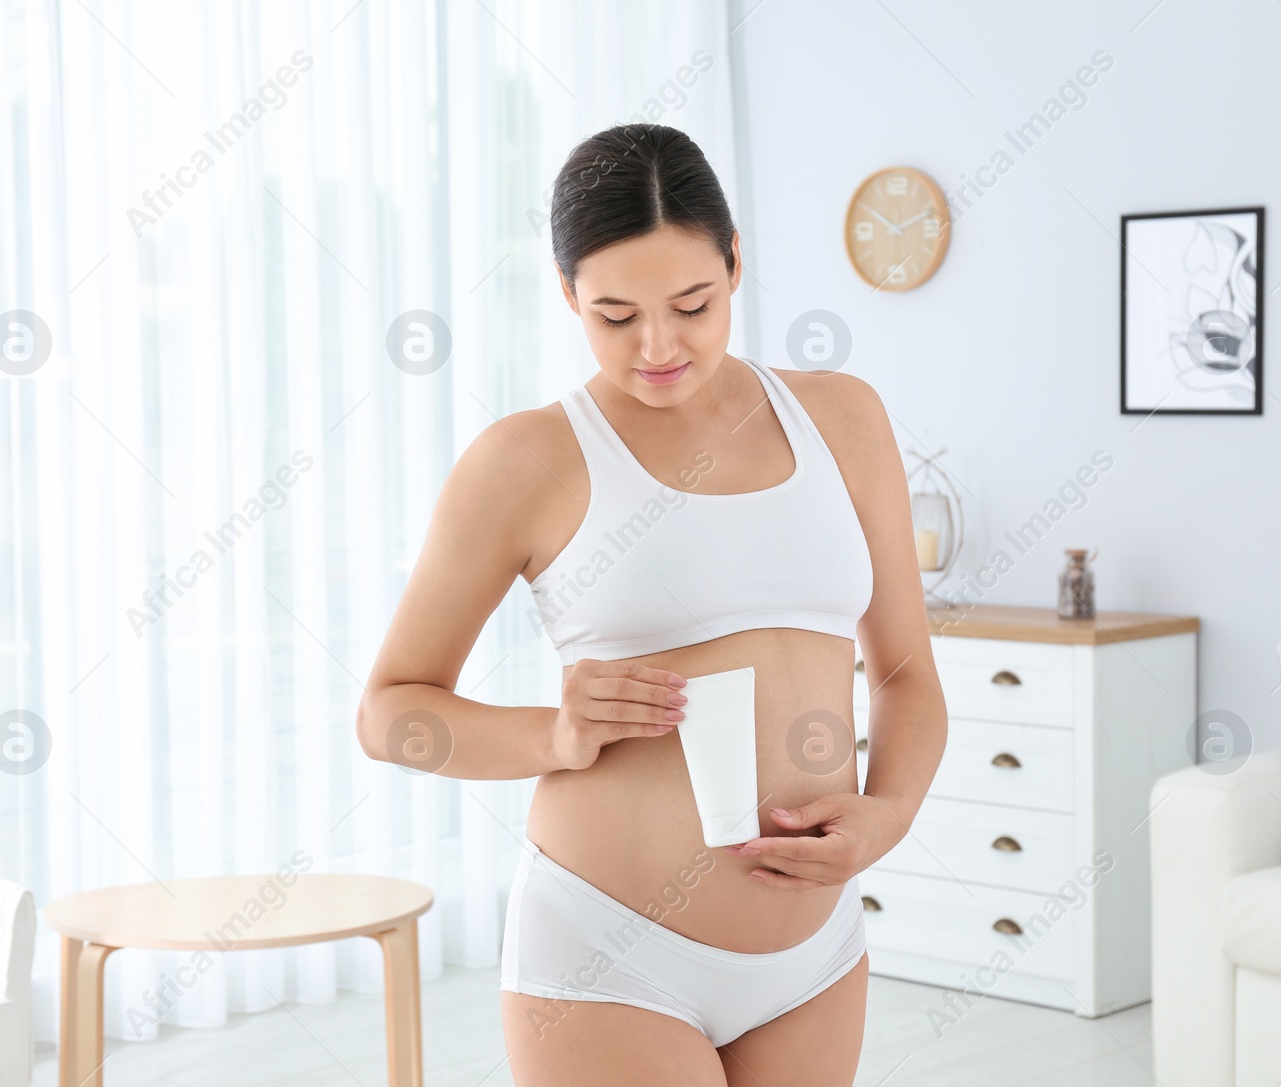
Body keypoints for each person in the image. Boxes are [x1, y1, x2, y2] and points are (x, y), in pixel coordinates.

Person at [357, 122, 948, 1087]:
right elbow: (389, 712)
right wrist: (554, 733)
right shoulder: (528, 460)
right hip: (609, 958)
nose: (660, 346)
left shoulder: (845, 418)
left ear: (736, 263)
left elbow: (908, 673)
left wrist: (888, 816)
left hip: (815, 957)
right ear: (567, 297)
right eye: (616, 315)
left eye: (691, 303)